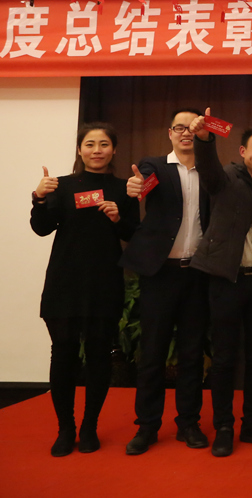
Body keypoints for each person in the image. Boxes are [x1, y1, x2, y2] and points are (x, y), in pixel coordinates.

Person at [31, 123, 139, 457]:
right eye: (90, 144)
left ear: (114, 149)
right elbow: (41, 228)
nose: (96, 150)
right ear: (80, 149)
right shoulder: (61, 185)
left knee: (98, 356)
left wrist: (118, 218)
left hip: (104, 282)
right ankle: (65, 429)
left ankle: (90, 427)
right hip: (64, 281)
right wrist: (39, 198)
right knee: (63, 354)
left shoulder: (122, 188)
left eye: (104, 144)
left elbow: (134, 234)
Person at [189, 110, 252, 457]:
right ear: (243, 151)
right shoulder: (227, 178)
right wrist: (204, 139)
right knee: (224, 358)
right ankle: (224, 426)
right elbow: (208, 169)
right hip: (227, 282)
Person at [121, 108, 211, 456]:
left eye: (192, 128)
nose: (186, 133)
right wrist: (136, 187)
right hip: (160, 274)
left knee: (191, 353)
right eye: (179, 128)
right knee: (153, 353)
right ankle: (147, 426)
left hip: (197, 274)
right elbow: (142, 185)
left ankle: (188, 423)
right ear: (170, 133)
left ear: (200, 132)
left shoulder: (210, 171)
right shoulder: (155, 166)